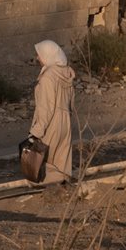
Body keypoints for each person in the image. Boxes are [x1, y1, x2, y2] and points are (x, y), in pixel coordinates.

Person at [28, 39, 76, 183]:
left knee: (44, 161)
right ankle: (63, 189)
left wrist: (36, 132)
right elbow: (71, 102)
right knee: (62, 160)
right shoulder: (66, 73)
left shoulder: (48, 77)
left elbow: (46, 107)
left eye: (40, 54)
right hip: (66, 120)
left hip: (51, 123)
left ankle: (45, 190)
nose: (37, 58)